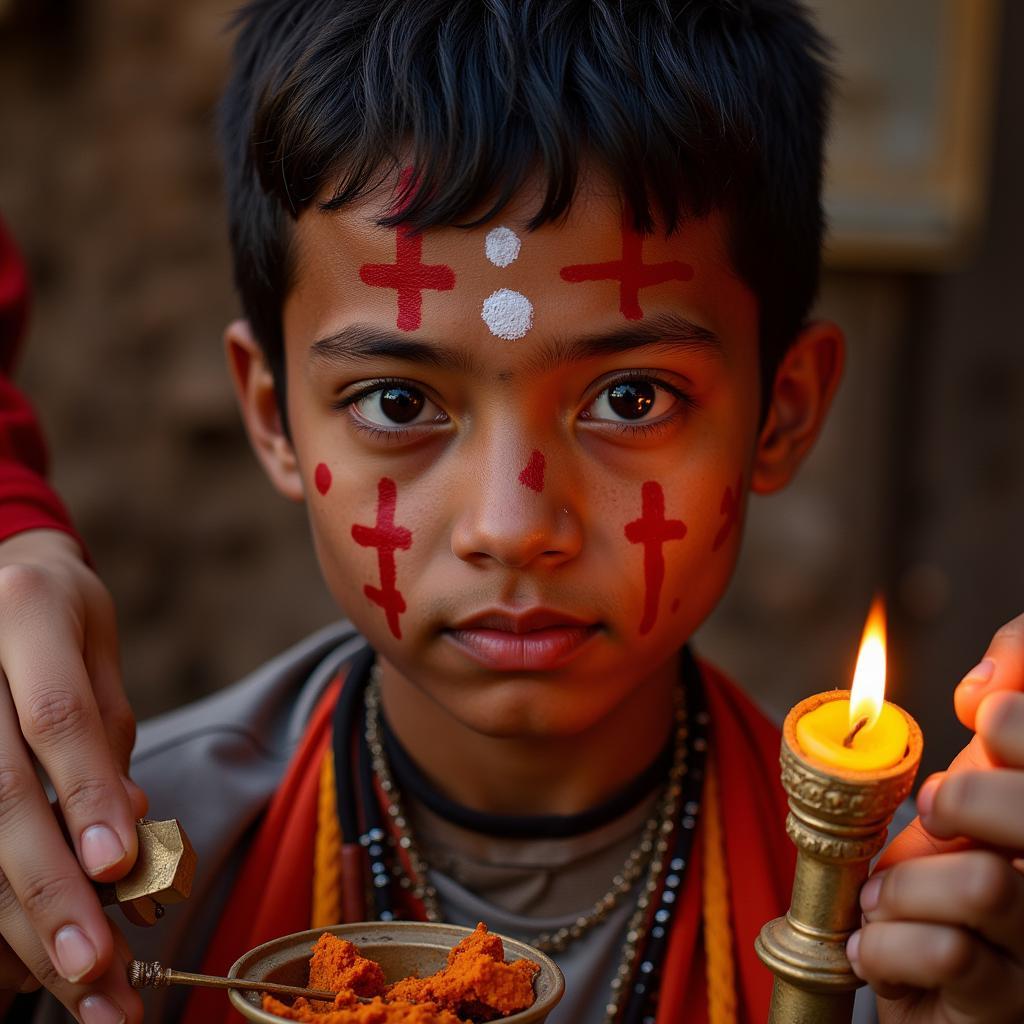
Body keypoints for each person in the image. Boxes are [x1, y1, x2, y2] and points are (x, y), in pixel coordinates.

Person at [2, 3, 1023, 1023]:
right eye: (398, 403)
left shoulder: (916, 941)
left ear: (781, 413)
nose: (512, 523)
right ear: (273, 419)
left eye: (632, 398)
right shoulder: (85, 880)